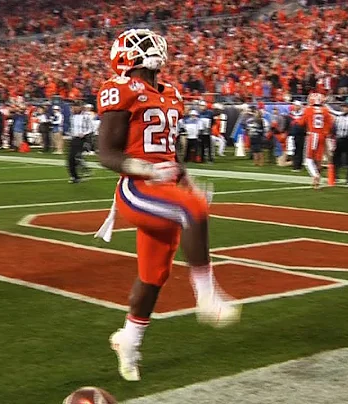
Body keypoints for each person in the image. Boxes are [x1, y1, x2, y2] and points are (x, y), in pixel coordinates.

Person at [94, 28, 240, 382]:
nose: (149, 46)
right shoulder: (121, 89)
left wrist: (185, 179)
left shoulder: (171, 94)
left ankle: (128, 340)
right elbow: (106, 154)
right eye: (138, 44)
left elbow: (168, 152)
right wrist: (146, 170)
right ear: (125, 57)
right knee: (192, 210)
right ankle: (206, 298)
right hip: (136, 188)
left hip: (163, 188)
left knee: (153, 276)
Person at [302, 92, 334, 189]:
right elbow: (331, 122)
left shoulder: (309, 110)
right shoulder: (325, 110)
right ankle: (317, 181)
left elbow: (301, 122)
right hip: (322, 135)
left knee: (308, 159)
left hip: (313, 135)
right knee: (318, 159)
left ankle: (315, 175)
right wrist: (325, 132)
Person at [330, 99, 348, 184]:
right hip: (339, 139)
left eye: (346, 107)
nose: (344, 109)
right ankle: (335, 176)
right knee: (336, 159)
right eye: (343, 107)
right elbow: (331, 112)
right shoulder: (339, 116)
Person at [67, 103, 94, 183]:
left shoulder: (85, 116)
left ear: (80, 107)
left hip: (82, 138)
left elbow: (91, 128)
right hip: (74, 138)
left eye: (76, 107)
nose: (74, 109)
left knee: (76, 156)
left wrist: (84, 133)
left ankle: (81, 172)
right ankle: (75, 176)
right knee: (71, 158)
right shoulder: (72, 116)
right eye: (74, 107)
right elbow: (72, 127)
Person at [288, 100, 306, 171]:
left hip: (301, 134)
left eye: (296, 105)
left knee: (300, 150)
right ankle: (295, 165)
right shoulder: (292, 114)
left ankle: (299, 165)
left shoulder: (303, 114)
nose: (295, 107)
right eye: (295, 105)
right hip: (294, 134)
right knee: (295, 150)